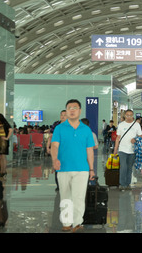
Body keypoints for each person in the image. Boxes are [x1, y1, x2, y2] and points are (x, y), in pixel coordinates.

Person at [51, 99, 95, 232]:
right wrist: (54, 160)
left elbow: (90, 150)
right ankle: (66, 222)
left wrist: (91, 168)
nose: (72, 110)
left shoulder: (86, 129)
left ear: (79, 111)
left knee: (79, 197)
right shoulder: (59, 128)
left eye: (74, 107)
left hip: (82, 169)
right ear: (66, 110)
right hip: (63, 168)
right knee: (65, 196)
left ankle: (77, 223)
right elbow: (54, 145)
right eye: (69, 108)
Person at [113, 109, 142, 191]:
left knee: (129, 168)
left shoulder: (136, 125)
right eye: (127, 115)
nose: (129, 117)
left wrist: (136, 139)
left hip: (133, 150)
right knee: (123, 167)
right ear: (125, 116)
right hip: (122, 149)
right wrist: (115, 150)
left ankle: (127, 184)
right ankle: (122, 184)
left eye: (130, 115)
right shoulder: (121, 125)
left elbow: (141, 136)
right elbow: (117, 138)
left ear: (133, 116)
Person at [46, 110, 67, 191]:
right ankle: (58, 185)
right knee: (57, 166)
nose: (63, 116)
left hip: (66, 149)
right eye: (61, 115)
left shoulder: (71, 125)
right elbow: (51, 136)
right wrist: (48, 146)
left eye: (65, 115)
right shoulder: (56, 124)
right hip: (56, 149)